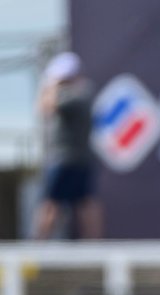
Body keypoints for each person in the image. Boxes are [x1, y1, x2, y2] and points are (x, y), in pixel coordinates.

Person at [33, 51, 102, 240]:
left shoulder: (79, 94)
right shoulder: (82, 92)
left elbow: (46, 106)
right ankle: (40, 247)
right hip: (73, 158)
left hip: (65, 159)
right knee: (83, 202)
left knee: (53, 203)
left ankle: (38, 247)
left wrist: (51, 85)